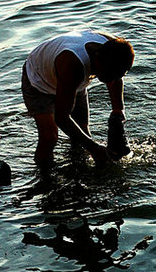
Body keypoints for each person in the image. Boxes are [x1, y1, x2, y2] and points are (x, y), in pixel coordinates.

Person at [21, 29, 134, 168]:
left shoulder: (115, 48)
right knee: (49, 136)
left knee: (82, 129)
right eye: (107, 74)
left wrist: (118, 111)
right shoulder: (73, 65)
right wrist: (95, 149)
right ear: (97, 59)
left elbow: (115, 78)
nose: (111, 80)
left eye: (117, 75)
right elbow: (61, 118)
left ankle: (78, 170)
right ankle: (45, 177)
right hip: (39, 79)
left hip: (73, 80)